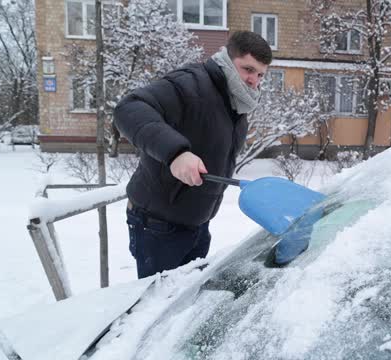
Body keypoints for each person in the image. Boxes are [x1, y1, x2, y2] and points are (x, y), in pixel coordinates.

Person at [114, 31, 272, 279]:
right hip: (158, 225)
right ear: (228, 60)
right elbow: (130, 108)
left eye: (260, 74)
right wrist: (176, 153)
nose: (254, 80)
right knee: (159, 309)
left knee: (185, 306)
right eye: (248, 69)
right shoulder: (190, 84)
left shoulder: (235, 105)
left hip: (197, 224)